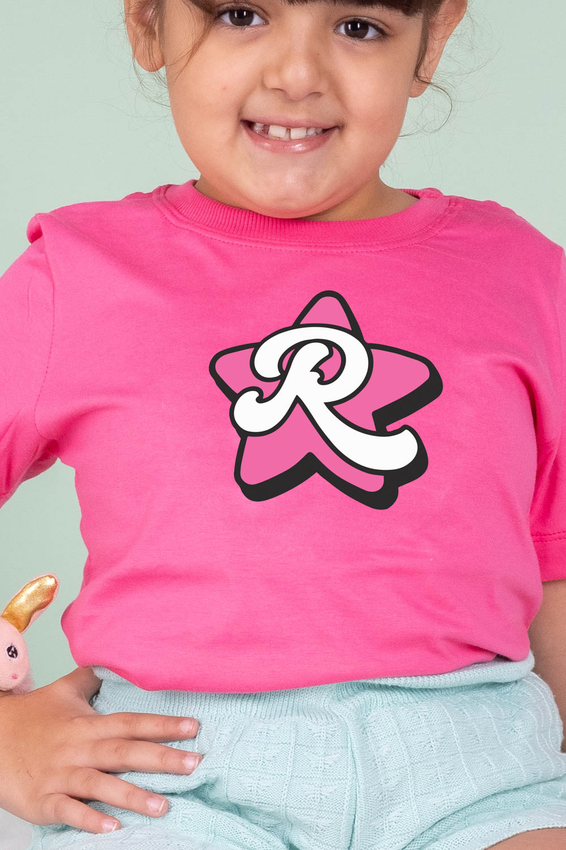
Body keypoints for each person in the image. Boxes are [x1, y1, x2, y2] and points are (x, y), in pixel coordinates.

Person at [1, 0, 566, 848]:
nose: (298, 75)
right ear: (147, 24)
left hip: (480, 771)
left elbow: (555, 558)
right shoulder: (77, 276)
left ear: (432, 40)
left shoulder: (522, 275)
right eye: (241, 14)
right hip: (175, 779)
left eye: (359, 26)